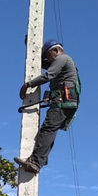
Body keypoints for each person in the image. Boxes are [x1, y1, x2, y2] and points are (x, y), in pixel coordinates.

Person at [15, 39, 80, 174]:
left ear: (55, 51)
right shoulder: (64, 61)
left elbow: (48, 75)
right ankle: (40, 159)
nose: (48, 61)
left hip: (63, 100)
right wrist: (31, 47)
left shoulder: (63, 58)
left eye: (48, 56)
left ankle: (35, 162)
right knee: (50, 129)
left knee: (48, 129)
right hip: (66, 101)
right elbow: (43, 64)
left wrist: (27, 85)